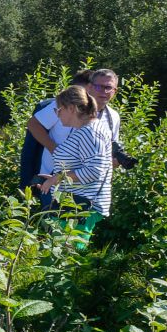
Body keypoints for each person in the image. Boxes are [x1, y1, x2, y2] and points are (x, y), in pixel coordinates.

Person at [20, 68, 133, 207]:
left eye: (108, 87)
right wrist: (55, 150)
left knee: (63, 226)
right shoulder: (66, 105)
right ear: (90, 87)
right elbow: (33, 124)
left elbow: (98, 163)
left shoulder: (112, 117)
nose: (103, 91)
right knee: (53, 224)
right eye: (99, 86)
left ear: (115, 91)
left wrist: (111, 162)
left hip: (84, 192)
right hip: (54, 178)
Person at [34, 84, 115, 247]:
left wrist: (58, 178)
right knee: (59, 253)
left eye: (59, 110)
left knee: (67, 256)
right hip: (74, 204)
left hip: (82, 206)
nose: (57, 114)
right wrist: (57, 178)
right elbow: (83, 166)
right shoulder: (84, 129)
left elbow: (94, 171)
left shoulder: (90, 131)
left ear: (71, 108)